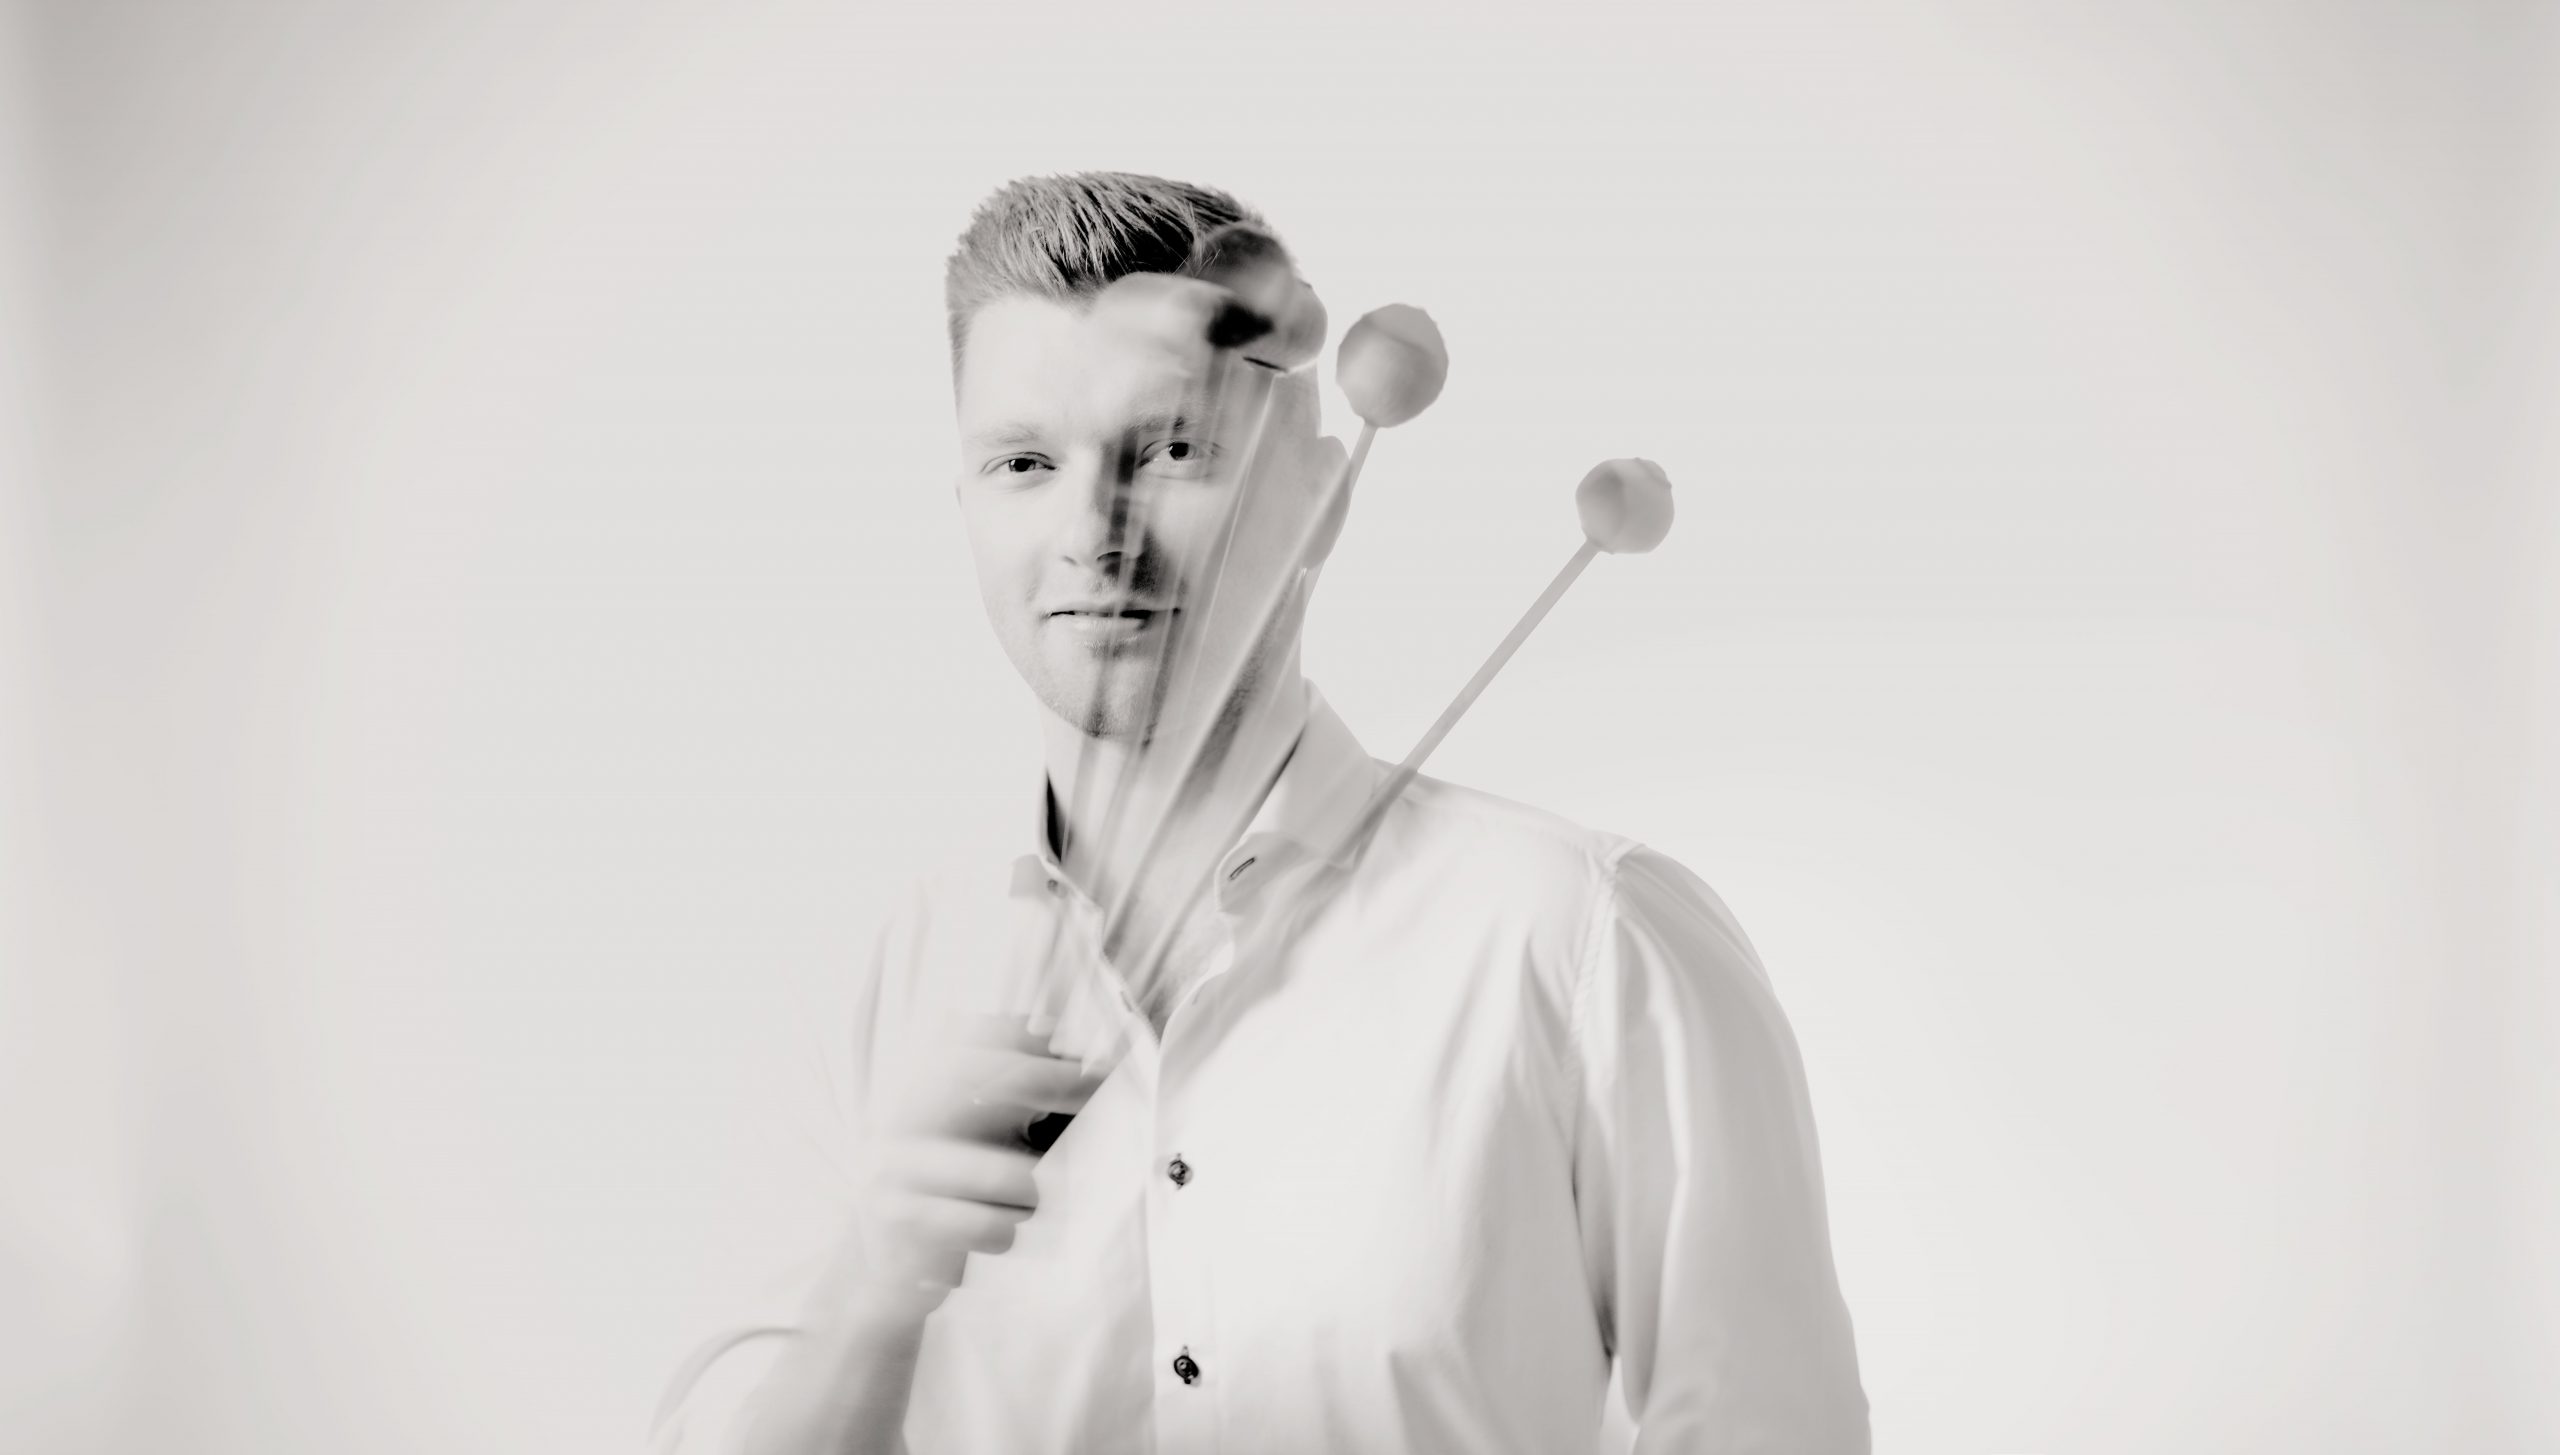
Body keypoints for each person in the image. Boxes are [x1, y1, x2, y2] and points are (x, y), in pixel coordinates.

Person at [650, 171, 1870, 1454]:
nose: (1093, 534)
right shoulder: (863, 981)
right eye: (1024, 463)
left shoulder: (1583, 941)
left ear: (1326, 505)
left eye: (1172, 450)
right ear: (965, 506)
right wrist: (871, 1289)